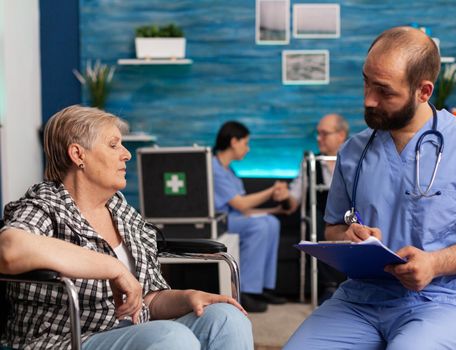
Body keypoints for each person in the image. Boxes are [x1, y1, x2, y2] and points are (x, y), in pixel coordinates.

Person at [284, 26, 456, 350]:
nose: (368, 99)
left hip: (447, 302)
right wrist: (349, 237)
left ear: (423, 91)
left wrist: (435, 263)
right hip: (362, 300)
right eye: (366, 82)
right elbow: (334, 228)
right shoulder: (354, 151)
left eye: (383, 91)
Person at [0, 106, 253, 350]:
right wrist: (112, 267)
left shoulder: (124, 213)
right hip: (66, 338)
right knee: (171, 337)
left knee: (227, 320)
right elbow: (9, 249)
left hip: (129, 329)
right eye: (113, 145)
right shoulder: (46, 205)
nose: (127, 154)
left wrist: (188, 296)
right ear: (78, 155)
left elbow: (148, 299)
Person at [212, 121, 288, 313]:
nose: (247, 148)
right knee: (260, 226)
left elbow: (243, 211)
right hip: (220, 222)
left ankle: (263, 287)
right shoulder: (214, 168)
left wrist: (274, 211)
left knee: (272, 222)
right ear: (234, 141)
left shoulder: (230, 171)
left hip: (235, 219)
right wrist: (272, 191)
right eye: (245, 143)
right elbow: (241, 204)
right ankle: (246, 291)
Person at [285, 114, 349, 302]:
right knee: (319, 223)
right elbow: (294, 199)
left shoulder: (354, 160)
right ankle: (329, 286)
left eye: (324, 134)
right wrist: (284, 197)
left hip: (352, 214)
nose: (319, 138)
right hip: (323, 215)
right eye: (318, 134)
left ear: (341, 135)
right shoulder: (310, 163)